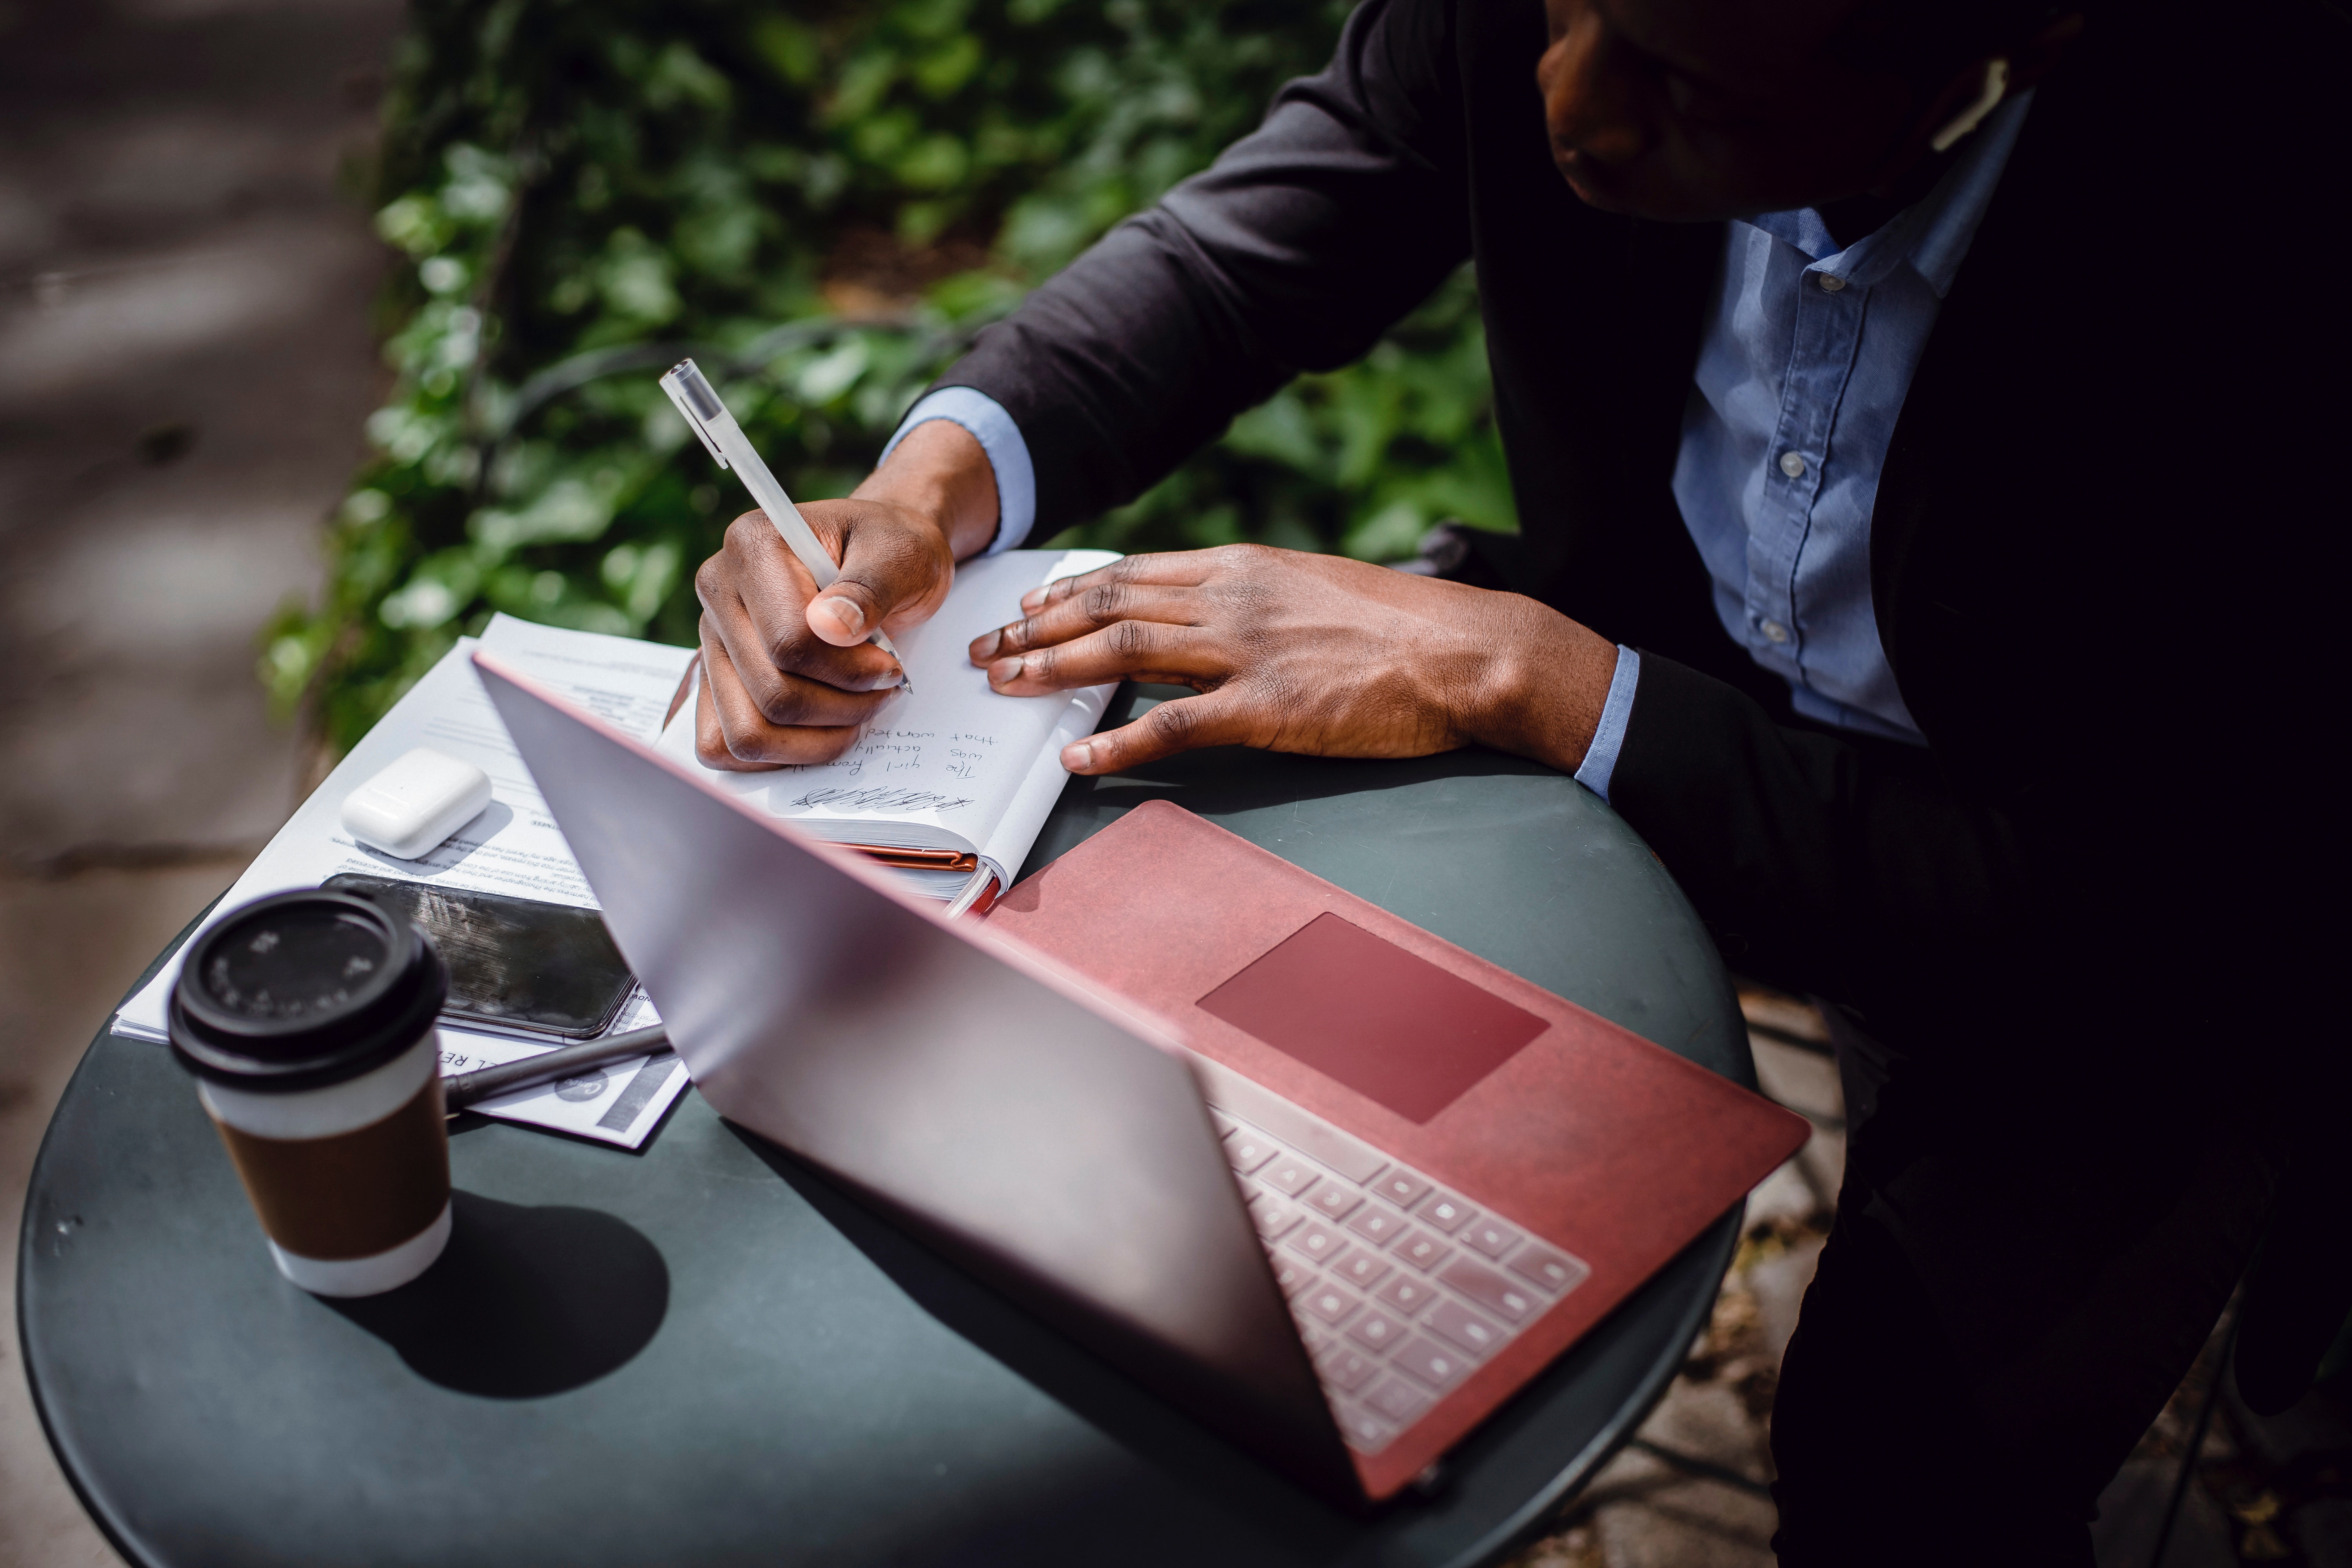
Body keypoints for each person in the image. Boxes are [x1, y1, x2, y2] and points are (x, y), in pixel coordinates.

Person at [691, 0, 2344, 1559]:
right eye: (1562, 13)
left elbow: (2128, 895)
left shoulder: (2250, 220)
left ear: (2000, 50)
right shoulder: (1580, 38)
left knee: (1898, 1458)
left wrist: (1531, 677)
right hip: (1684, 705)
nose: (1567, 113)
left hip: (2115, 938)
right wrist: (939, 481)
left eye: (1693, 88)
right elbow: (1282, 224)